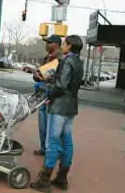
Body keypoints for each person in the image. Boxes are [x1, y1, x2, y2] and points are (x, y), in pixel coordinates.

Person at [30, 35, 84, 192]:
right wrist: (49, 80)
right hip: (71, 106)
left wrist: (49, 95)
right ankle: (62, 177)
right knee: (67, 140)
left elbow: (61, 85)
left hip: (59, 106)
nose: (64, 46)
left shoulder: (67, 61)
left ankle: (44, 180)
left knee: (52, 141)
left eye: (66, 43)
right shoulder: (79, 62)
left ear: (69, 46)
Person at [32, 34, 63, 156]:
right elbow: (40, 75)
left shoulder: (62, 59)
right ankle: (44, 147)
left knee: (53, 126)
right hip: (42, 94)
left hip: (53, 95)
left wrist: (45, 78)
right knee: (43, 123)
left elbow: (60, 79)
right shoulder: (46, 58)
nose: (47, 45)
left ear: (56, 44)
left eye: (49, 42)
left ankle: (55, 150)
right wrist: (36, 76)